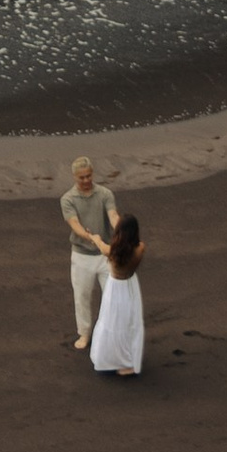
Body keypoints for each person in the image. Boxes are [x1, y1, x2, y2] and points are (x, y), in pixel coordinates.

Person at [61, 158, 120, 350]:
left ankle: (110, 332)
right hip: (81, 256)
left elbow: (113, 215)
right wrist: (90, 238)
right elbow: (74, 224)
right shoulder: (68, 199)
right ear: (74, 177)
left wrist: (121, 229)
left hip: (106, 256)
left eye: (88, 176)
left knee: (113, 296)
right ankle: (84, 333)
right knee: (82, 297)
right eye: (82, 177)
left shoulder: (105, 193)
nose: (86, 180)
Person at [89, 214, 145, 379]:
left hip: (115, 289)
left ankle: (115, 360)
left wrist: (94, 237)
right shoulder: (140, 248)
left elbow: (100, 244)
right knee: (130, 322)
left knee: (113, 322)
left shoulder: (111, 251)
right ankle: (128, 361)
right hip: (131, 286)